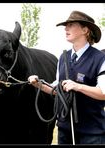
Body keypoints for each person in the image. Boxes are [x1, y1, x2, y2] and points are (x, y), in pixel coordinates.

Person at [28, 10, 105, 144]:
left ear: (85, 30)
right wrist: (39, 84)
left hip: (93, 134)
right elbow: (57, 90)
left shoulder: (100, 59)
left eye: (71, 25)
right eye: (66, 25)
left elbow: (103, 93)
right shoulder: (63, 58)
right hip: (65, 132)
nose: (66, 28)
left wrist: (78, 86)